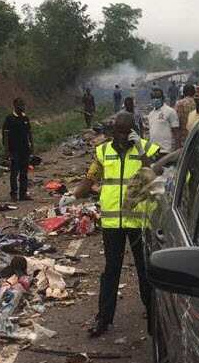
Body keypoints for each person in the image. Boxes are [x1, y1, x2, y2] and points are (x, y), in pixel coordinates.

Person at [61, 112, 158, 336]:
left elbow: (154, 173)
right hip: (113, 223)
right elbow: (91, 178)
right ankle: (103, 319)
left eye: (126, 131)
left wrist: (141, 151)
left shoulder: (147, 149)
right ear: (113, 131)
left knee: (145, 271)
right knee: (110, 271)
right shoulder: (103, 151)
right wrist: (74, 195)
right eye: (118, 131)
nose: (122, 136)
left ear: (134, 130)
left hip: (139, 221)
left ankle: (154, 319)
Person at [2, 97, 34, 202]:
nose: (23, 107)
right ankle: (14, 194)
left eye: (23, 105)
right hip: (14, 150)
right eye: (21, 105)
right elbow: (5, 135)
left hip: (25, 150)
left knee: (24, 173)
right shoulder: (9, 119)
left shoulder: (25, 118)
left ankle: (23, 194)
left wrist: (32, 146)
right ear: (15, 106)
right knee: (14, 172)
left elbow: (29, 133)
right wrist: (7, 151)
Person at [146, 87, 181, 153]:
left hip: (166, 150)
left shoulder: (170, 111)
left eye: (157, 97)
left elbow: (176, 132)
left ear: (163, 98)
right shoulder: (151, 114)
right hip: (153, 151)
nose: (155, 99)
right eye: (153, 97)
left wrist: (177, 150)